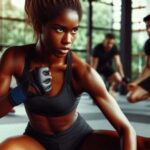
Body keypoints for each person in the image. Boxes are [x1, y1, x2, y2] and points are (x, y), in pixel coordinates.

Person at [0, 1, 150, 150]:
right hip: (36, 142)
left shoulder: (82, 72)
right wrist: (21, 92)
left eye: (74, 30)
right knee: (7, 147)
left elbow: (126, 129)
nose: (68, 40)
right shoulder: (15, 58)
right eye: (59, 30)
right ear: (40, 26)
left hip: (80, 141)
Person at [91, 33, 127, 98]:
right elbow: (94, 66)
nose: (110, 45)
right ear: (104, 41)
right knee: (100, 85)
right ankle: (98, 93)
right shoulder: (97, 48)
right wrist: (93, 78)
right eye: (108, 43)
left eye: (111, 43)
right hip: (98, 69)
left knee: (118, 79)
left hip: (107, 68)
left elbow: (118, 63)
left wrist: (123, 77)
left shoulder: (114, 48)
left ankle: (111, 89)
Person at [127, 14, 150, 103]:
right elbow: (148, 67)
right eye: (147, 27)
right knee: (131, 97)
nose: (148, 30)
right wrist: (136, 82)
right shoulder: (148, 43)